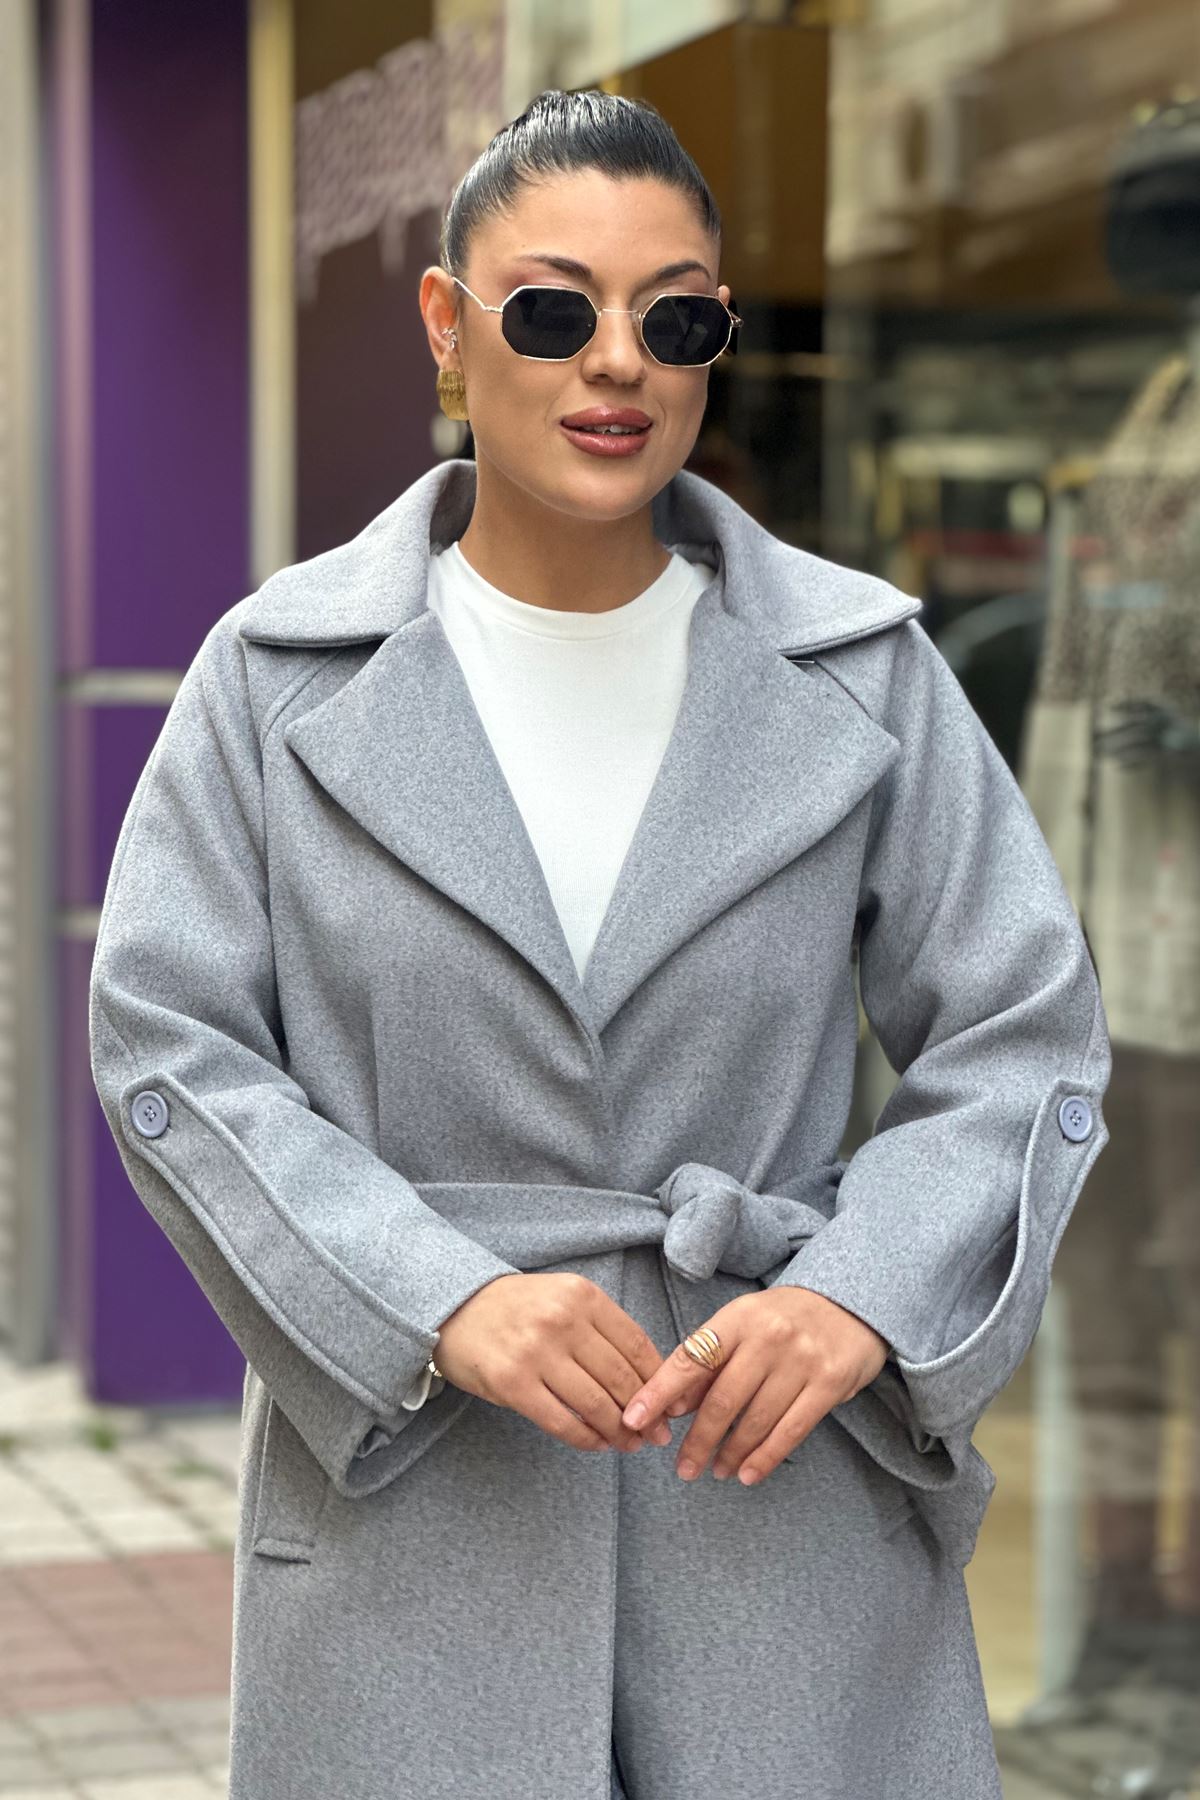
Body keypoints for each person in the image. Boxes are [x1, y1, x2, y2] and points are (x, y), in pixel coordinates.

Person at [89, 88, 1112, 1800]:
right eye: (554, 311)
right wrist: (432, 1297)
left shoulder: (862, 670)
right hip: (425, 1496)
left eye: (676, 317)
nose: (618, 361)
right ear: (447, 324)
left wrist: (859, 1295)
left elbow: (1024, 1033)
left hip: (772, 1479)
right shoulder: (274, 680)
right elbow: (170, 1048)